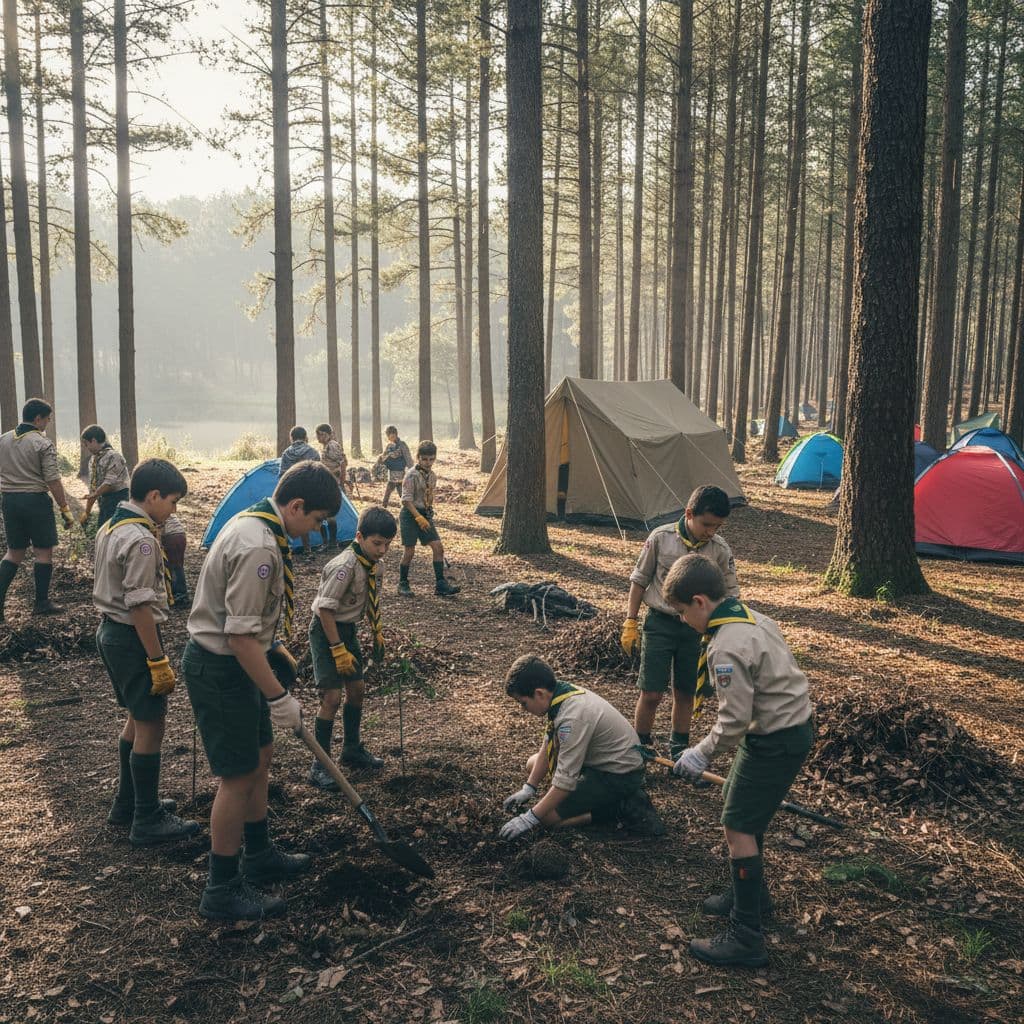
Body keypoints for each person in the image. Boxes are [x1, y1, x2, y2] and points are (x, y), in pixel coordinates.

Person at [182, 461, 340, 921]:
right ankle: (222, 888)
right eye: (314, 521)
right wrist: (278, 697)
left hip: (241, 664)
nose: (313, 532)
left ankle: (259, 852)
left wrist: (275, 657)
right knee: (237, 776)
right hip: (222, 668)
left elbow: (252, 632)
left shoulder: (261, 524)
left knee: (262, 755)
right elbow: (238, 637)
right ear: (295, 506)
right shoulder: (258, 547)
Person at [664, 553, 814, 968]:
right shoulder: (750, 617)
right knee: (738, 801)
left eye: (680, 611)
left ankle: (746, 935)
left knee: (737, 825)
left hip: (774, 740)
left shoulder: (727, 645)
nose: (681, 620)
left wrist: (700, 753)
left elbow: (733, 721)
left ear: (699, 601)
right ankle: (753, 893)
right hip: (784, 728)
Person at [93, 458, 200, 845]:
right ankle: (147, 817)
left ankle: (128, 802)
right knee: (152, 723)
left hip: (111, 632)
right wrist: (157, 660)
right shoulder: (139, 539)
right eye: (172, 502)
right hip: (132, 637)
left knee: (137, 720)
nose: (173, 510)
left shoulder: (112, 524)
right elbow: (139, 605)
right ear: (154, 496)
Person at [621, 485, 739, 763]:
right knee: (650, 691)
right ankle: (641, 743)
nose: (710, 531)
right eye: (706, 524)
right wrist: (630, 621)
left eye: (717, 526)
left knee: (686, 691)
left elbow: (731, 591)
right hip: (661, 623)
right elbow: (639, 580)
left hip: (696, 630)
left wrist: (726, 630)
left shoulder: (719, 549)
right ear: (689, 514)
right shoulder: (661, 538)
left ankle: (678, 746)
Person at [499, 655, 665, 840]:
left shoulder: (573, 717)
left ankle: (618, 808)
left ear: (538, 693)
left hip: (618, 775)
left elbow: (564, 783)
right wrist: (529, 788)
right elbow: (549, 744)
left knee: (544, 821)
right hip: (599, 761)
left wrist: (529, 818)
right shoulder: (559, 694)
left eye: (523, 703)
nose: (523, 709)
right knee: (533, 764)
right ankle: (597, 798)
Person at [307, 505, 396, 788]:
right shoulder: (344, 567)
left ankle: (352, 749)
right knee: (332, 698)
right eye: (377, 543)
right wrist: (336, 648)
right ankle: (319, 765)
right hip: (326, 631)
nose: (382, 550)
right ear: (359, 536)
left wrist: (376, 634)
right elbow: (325, 610)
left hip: (347, 630)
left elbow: (367, 603)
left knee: (356, 690)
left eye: (387, 544)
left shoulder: (374, 565)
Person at [0, 397, 73, 621]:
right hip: (35, 501)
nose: (47, 424)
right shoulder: (42, 443)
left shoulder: (3, 439)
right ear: (37, 418)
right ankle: (41, 602)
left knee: (14, 552)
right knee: (43, 551)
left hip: (10, 501)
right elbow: (52, 479)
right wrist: (64, 508)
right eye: (47, 420)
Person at [397, 440, 459, 598]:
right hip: (410, 515)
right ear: (418, 457)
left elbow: (428, 495)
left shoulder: (432, 476)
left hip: (425, 514)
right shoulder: (411, 475)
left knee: (438, 547)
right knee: (409, 551)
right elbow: (405, 500)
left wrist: (427, 513)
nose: (428, 462)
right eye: (424, 459)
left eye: (431, 459)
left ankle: (440, 584)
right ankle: (403, 583)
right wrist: (417, 517)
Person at [278, 427, 321, 558]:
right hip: (308, 489)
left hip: (291, 490)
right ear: (305, 437)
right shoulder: (313, 452)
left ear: (291, 438)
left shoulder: (286, 453)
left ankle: (285, 548)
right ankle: (308, 549)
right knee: (307, 516)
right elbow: (319, 473)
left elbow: (282, 475)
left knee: (287, 517)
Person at [80, 425, 130, 527]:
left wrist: (95, 494)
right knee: (103, 531)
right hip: (104, 502)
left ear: (93, 441)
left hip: (119, 501)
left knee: (116, 531)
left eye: (86, 444)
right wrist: (87, 512)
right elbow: (93, 488)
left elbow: (109, 483)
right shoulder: (93, 459)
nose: (86, 448)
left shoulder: (113, 456)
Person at [315, 424, 346, 549]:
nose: (319, 437)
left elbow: (343, 463)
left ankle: (331, 543)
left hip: (332, 483)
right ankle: (326, 542)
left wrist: (342, 482)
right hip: (325, 483)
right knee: (323, 512)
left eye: (322, 434)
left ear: (329, 434)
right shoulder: (326, 446)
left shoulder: (332, 446)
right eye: (318, 434)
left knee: (329, 513)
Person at [375, 426, 412, 508]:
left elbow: (408, 458)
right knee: (391, 493)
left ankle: (407, 509)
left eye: (392, 436)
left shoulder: (402, 445)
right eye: (389, 436)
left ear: (396, 434)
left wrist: (411, 470)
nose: (390, 438)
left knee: (397, 493)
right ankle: (383, 508)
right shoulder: (389, 446)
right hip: (391, 474)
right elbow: (383, 457)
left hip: (400, 474)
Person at [161, 512, 190, 608]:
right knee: (178, 566)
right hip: (180, 535)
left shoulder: (155, 512)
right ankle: (181, 594)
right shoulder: (164, 509)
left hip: (171, 537)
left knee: (172, 567)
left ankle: (179, 595)